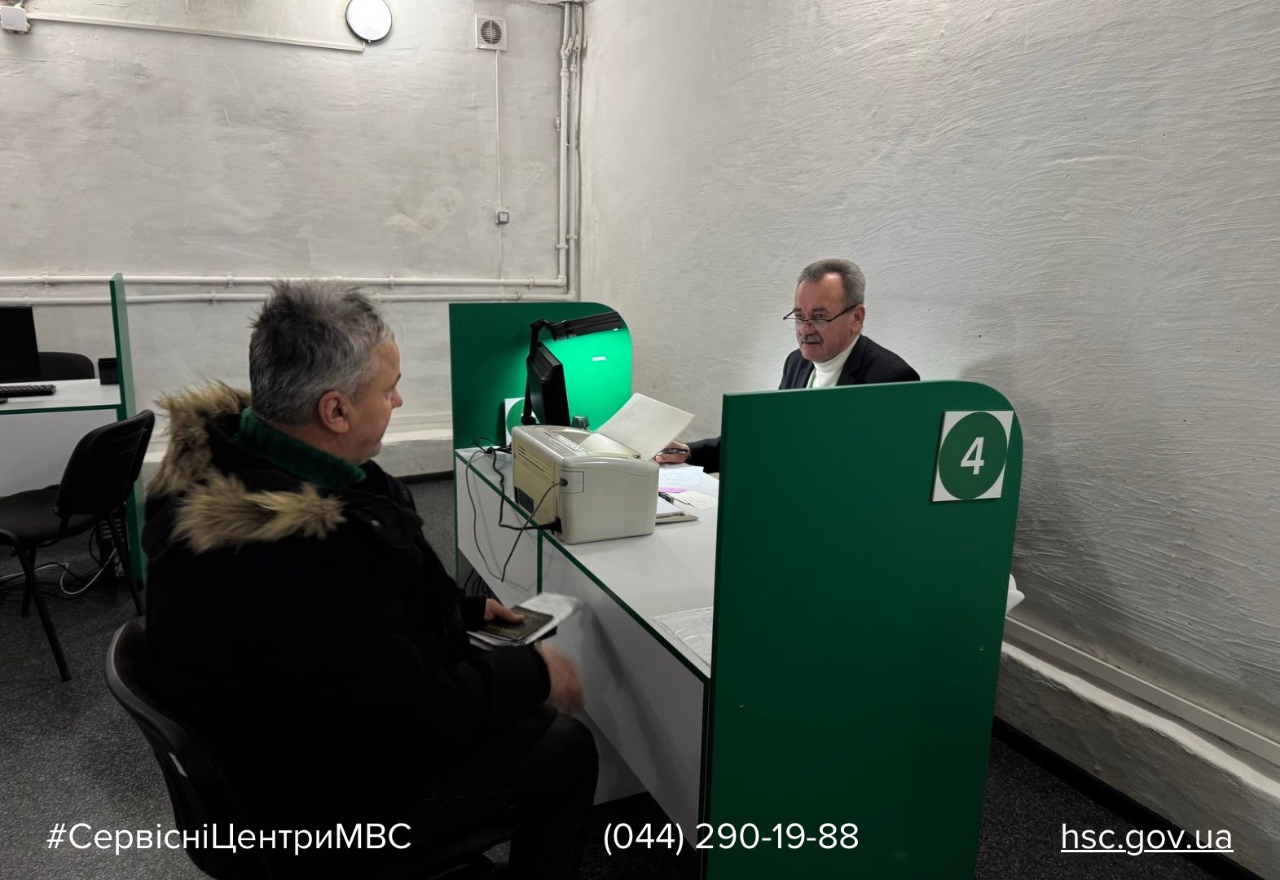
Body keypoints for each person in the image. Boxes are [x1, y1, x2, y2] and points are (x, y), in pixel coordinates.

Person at [143, 281, 597, 878]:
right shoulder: (307, 556)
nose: (399, 401)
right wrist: (535, 672)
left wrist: (461, 612)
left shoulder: (235, 467)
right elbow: (412, 723)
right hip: (316, 803)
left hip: (280, 737)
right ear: (335, 411)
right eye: (389, 390)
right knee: (565, 748)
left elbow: (347, 637)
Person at [655, 258, 919, 473]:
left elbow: (884, 470)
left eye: (819, 317)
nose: (805, 329)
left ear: (856, 318)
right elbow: (773, 439)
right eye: (799, 316)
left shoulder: (891, 378)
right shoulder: (797, 362)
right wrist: (690, 452)